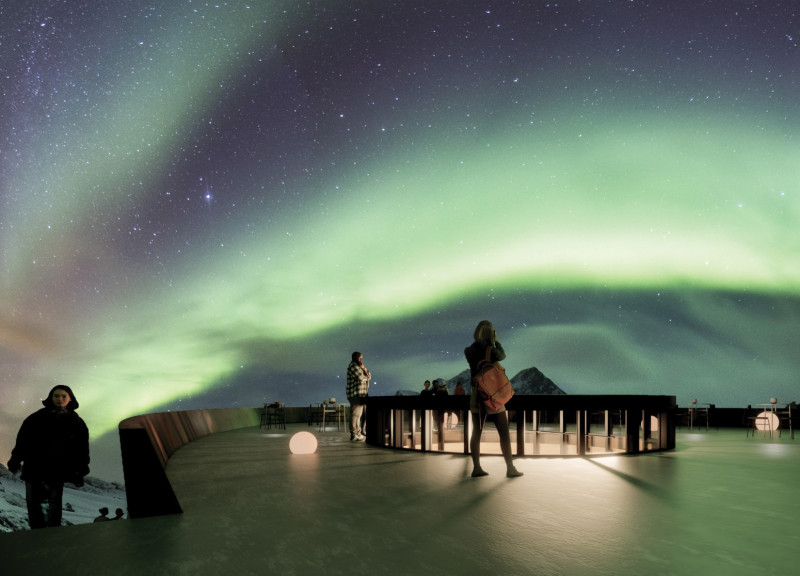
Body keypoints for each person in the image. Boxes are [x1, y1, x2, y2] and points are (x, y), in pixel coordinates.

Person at [7, 385, 91, 528]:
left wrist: (80, 470)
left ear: (70, 398)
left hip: (57, 471)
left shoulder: (76, 422)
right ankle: (37, 542)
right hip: (34, 468)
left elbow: (82, 449)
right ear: (50, 398)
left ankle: (50, 544)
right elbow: (22, 441)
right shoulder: (35, 418)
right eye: (56, 396)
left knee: (53, 508)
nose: (60, 399)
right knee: (35, 507)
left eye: (63, 396)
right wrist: (15, 460)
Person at [464, 321, 522, 479]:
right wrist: (495, 341)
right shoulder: (492, 350)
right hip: (492, 394)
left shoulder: (468, 351)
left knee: (477, 431)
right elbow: (503, 356)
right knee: (503, 432)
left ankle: (476, 467)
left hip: (476, 393)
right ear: (491, 333)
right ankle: (510, 468)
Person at [346, 351, 371, 442]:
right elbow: (361, 378)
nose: (361, 360)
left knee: (358, 415)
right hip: (355, 394)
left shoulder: (360, 367)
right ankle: (354, 434)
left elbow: (369, 376)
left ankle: (358, 433)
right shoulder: (353, 366)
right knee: (355, 415)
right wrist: (366, 375)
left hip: (361, 394)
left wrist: (365, 370)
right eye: (360, 358)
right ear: (356, 358)